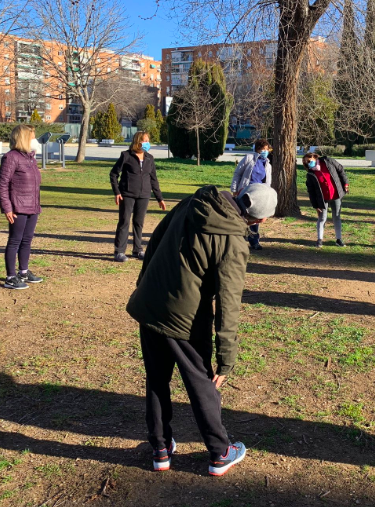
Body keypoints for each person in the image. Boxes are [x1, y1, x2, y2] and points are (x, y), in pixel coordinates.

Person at [126, 183, 278, 476]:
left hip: (150, 304)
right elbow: (228, 302)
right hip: (186, 319)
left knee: (157, 379)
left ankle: (160, 448)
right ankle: (220, 452)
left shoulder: (192, 203)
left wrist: (144, 283)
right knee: (201, 382)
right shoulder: (234, 242)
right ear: (260, 220)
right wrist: (226, 357)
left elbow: (156, 239)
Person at [0, 124, 43, 289]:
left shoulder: (30, 157)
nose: (35, 140)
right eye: (32, 136)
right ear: (24, 138)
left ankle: (23, 271)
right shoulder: (11, 157)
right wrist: (7, 207)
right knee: (15, 240)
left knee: (27, 240)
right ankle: (10, 276)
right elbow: (2, 184)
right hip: (18, 207)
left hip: (33, 206)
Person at [110, 131, 166, 262]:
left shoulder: (149, 158)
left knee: (139, 223)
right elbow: (113, 174)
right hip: (127, 194)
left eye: (148, 140)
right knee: (124, 222)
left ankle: (138, 250)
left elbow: (153, 179)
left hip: (144, 195)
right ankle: (119, 251)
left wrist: (160, 198)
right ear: (138, 142)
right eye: (144, 141)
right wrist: (117, 192)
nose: (147, 143)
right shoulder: (126, 156)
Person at [230, 138, 273, 250]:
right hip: (245, 192)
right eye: (263, 149)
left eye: (267, 149)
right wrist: (234, 189)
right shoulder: (249, 158)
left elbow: (268, 181)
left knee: (255, 217)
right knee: (241, 216)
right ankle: (237, 239)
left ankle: (254, 242)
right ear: (258, 149)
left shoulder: (268, 164)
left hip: (259, 195)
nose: (265, 151)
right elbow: (238, 173)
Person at [303, 152, 349, 248]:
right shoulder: (310, 174)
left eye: (309, 161)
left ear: (314, 157)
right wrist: (315, 205)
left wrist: (345, 183)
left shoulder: (328, 161)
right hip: (322, 199)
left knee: (336, 216)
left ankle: (339, 239)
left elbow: (340, 170)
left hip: (336, 195)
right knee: (322, 218)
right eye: (306, 163)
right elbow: (311, 192)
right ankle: (319, 240)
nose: (308, 163)